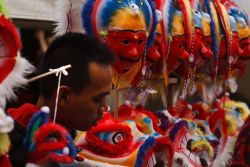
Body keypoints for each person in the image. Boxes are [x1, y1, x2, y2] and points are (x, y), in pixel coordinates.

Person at [7, 32, 115, 166]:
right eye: (98, 99)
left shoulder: (68, 137)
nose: (105, 107)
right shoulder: (13, 150)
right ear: (63, 97)